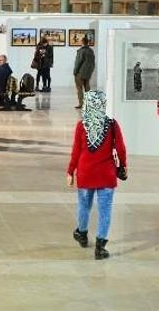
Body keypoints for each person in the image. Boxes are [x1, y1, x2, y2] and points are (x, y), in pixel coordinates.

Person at [67, 91, 127, 260]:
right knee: (105, 211)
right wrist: (123, 166)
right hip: (106, 175)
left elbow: (76, 151)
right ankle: (100, 247)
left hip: (85, 173)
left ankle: (82, 234)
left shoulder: (81, 126)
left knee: (84, 207)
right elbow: (121, 149)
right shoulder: (112, 125)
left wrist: (70, 171)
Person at [73, 36, 95, 109]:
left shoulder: (81, 51)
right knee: (87, 88)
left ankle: (81, 104)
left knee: (79, 89)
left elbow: (78, 62)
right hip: (88, 73)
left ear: (82, 42)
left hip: (80, 73)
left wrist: (75, 71)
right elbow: (93, 62)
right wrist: (91, 71)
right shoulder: (91, 51)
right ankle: (89, 104)